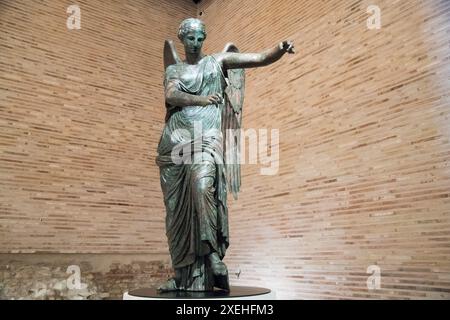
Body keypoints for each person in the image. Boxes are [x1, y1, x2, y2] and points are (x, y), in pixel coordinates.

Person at [156, 18, 294, 292]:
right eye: (191, 38)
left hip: (206, 141)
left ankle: (212, 255)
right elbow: (172, 96)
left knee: (203, 186)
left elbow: (258, 58)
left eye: (200, 38)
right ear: (183, 39)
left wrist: (278, 49)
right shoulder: (174, 69)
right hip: (175, 144)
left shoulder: (217, 62)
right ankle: (183, 277)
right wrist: (203, 100)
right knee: (176, 216)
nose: (195, 43)